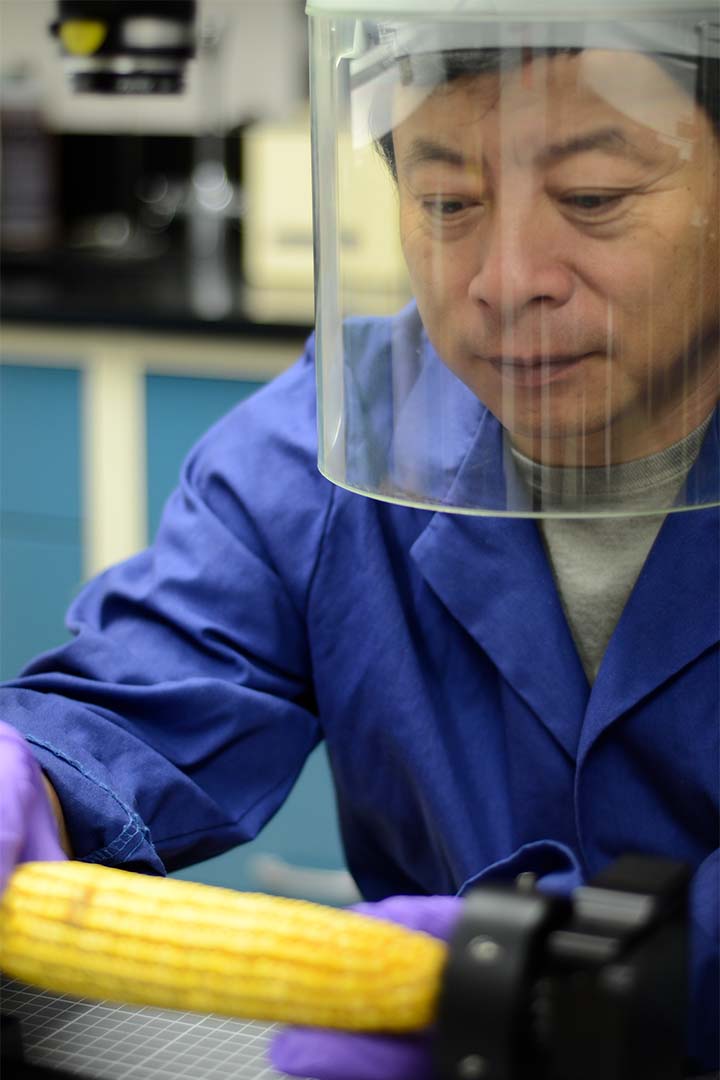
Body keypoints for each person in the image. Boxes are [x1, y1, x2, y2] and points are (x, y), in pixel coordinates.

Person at [1, 1, 718, 1077]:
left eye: (593, 197)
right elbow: (145, 698)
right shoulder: (337, 434)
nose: (504, 276)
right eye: (445, 201)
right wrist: (33, 771)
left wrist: (574, 981)